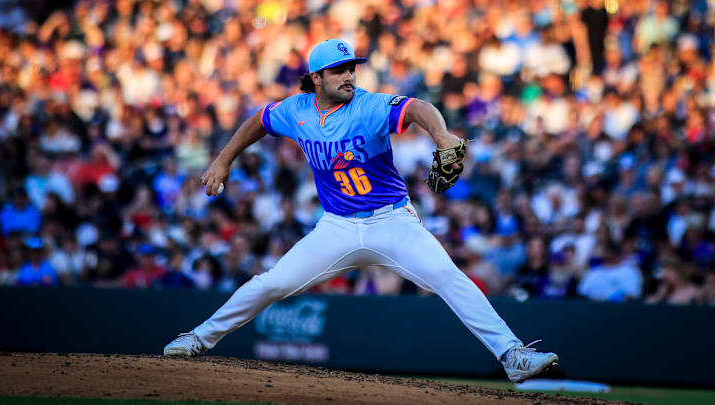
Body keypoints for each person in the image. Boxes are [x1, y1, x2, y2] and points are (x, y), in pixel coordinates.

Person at [163, 39, 558, 383]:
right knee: (273, 283)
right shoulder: (296, 110)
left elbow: (418, 107)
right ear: (316, 78)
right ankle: (198, 338)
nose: (348, 75)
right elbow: (259, 121)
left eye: (351, 67)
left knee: (447, 276)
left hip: (391, 221)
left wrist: (440, 135)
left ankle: (513, 355)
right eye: (337, 70)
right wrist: (223, 159)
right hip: (336, 227)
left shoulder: (369, 106)